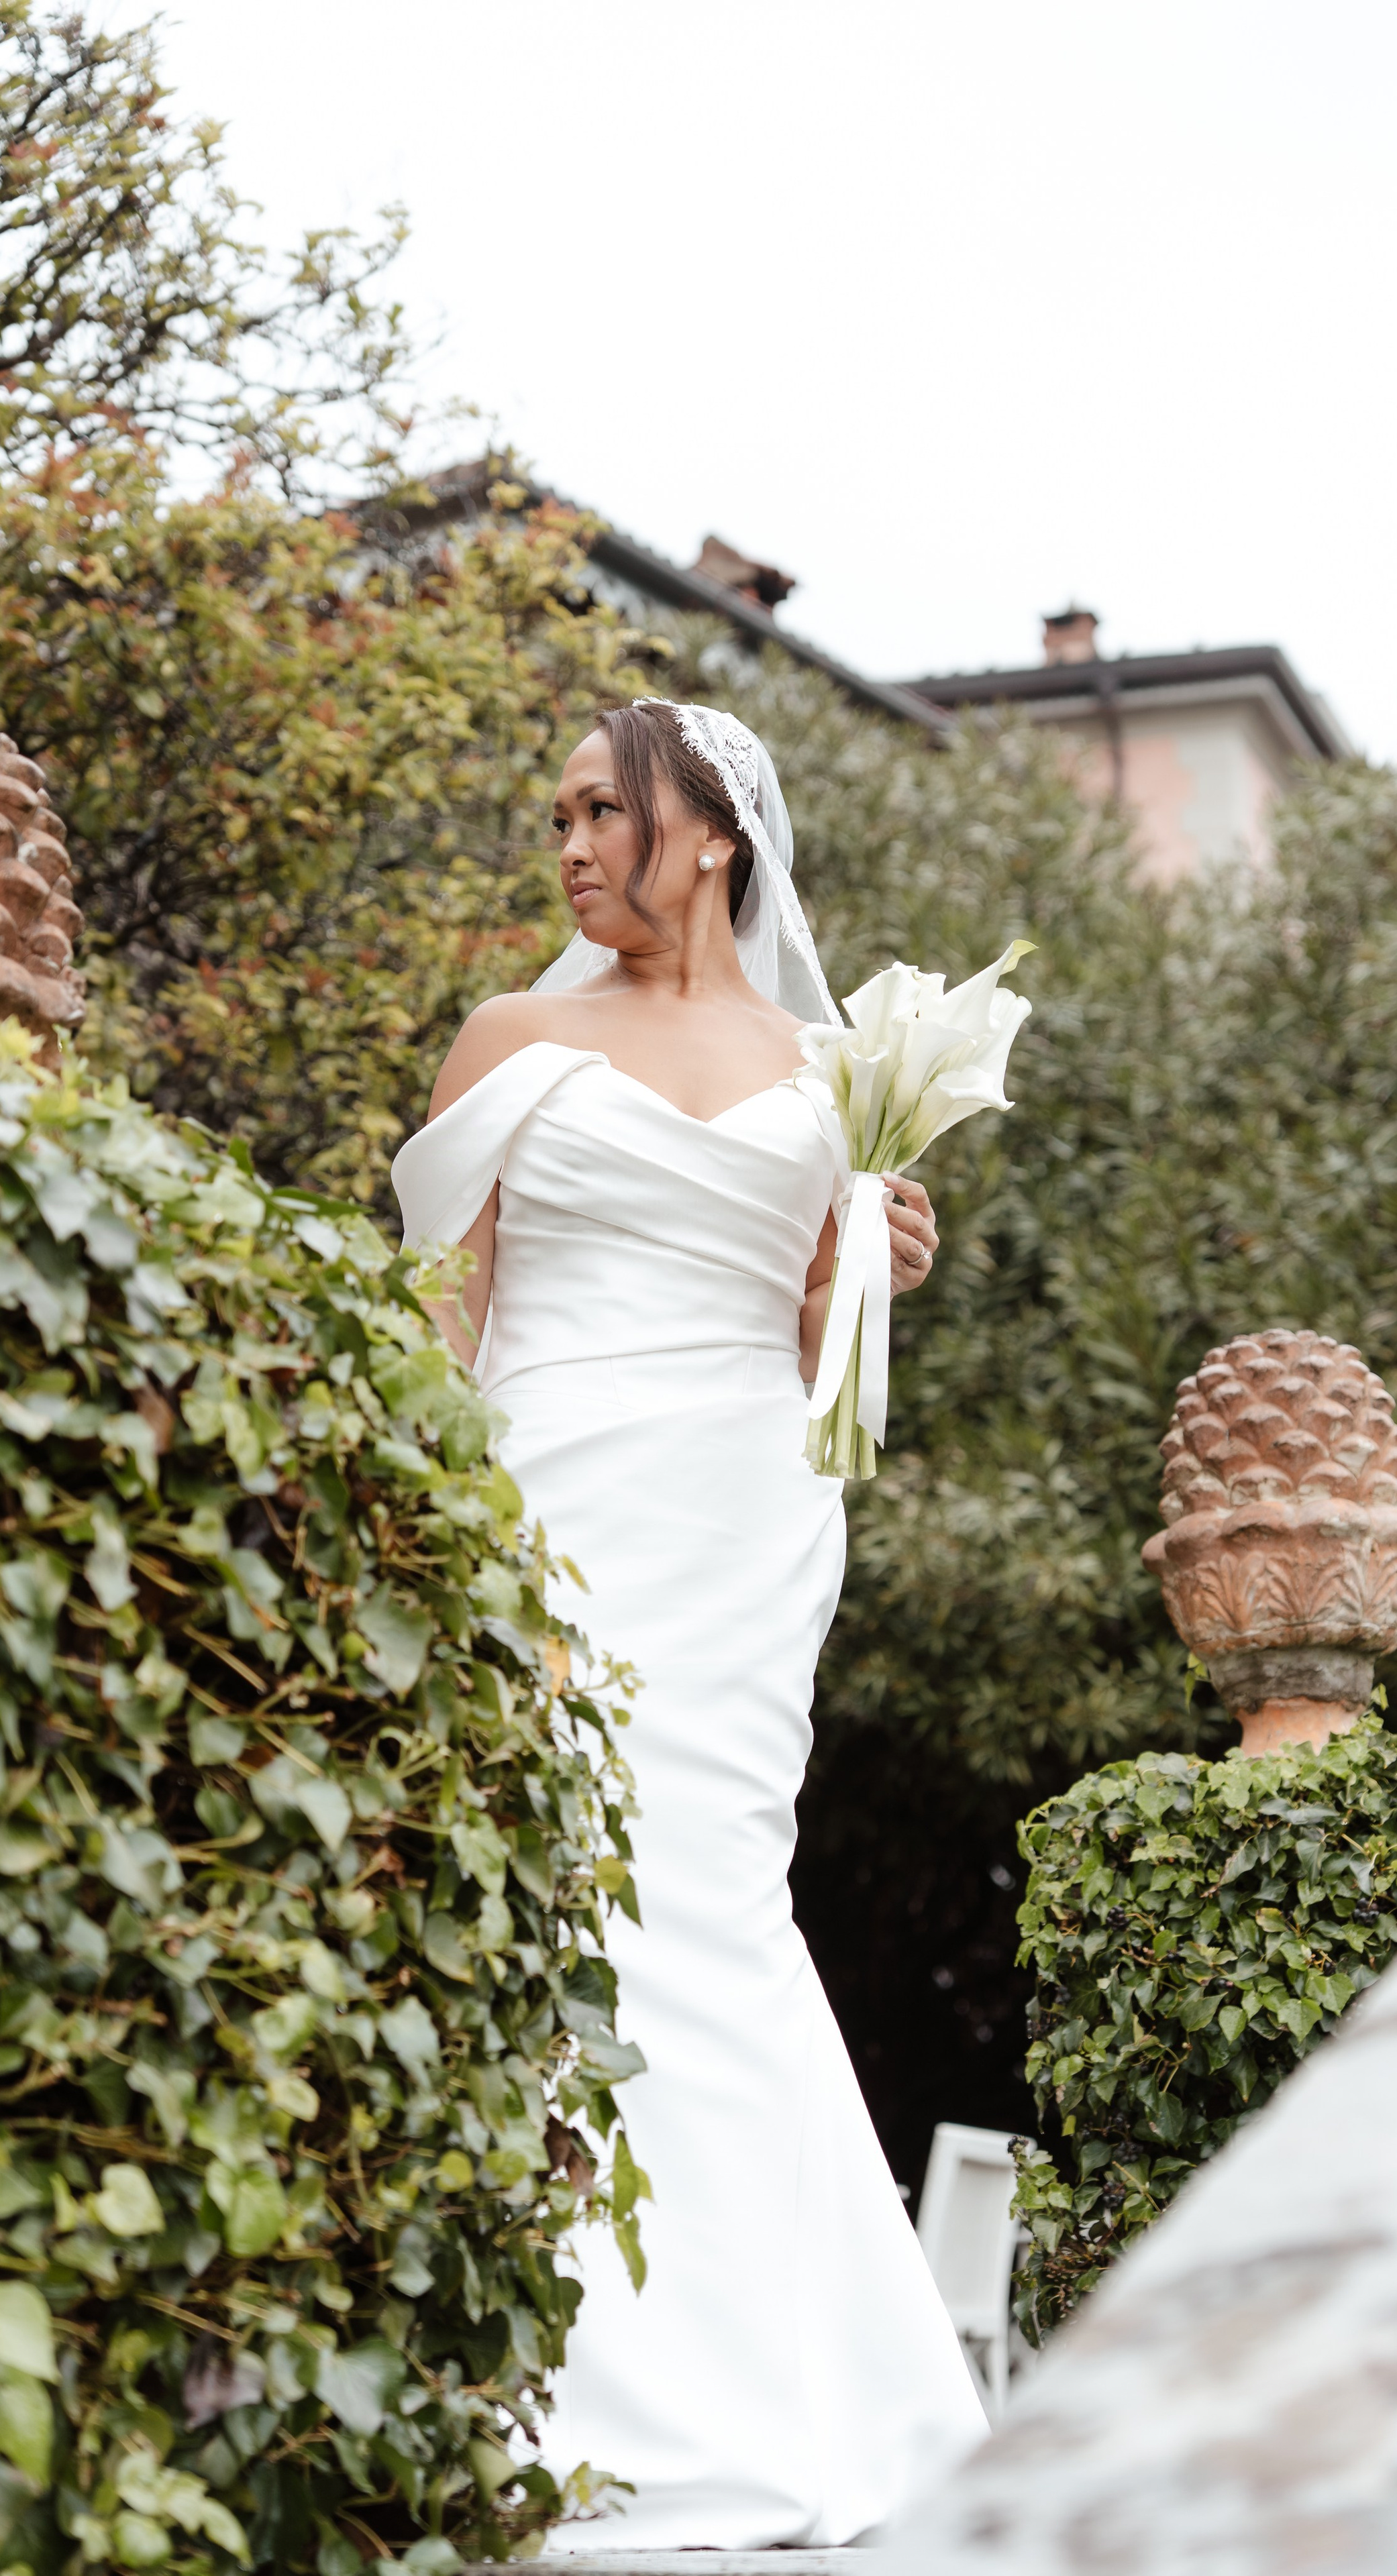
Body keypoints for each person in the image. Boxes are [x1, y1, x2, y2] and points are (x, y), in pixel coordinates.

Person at [391, 700, 989, 2551]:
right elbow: (439, 1314)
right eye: (556, 812)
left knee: (707, 1902)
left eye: (605, 811)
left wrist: (874, 1278)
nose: (571, 846)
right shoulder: (509, 1039)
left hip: (743, 1520)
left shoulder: (837, 1072)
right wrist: (433, 1538)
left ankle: (784, 2403)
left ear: (713, 833)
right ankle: (547, 2387)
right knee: (550, 1895)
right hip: (548, 1499)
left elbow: (832, 1379)